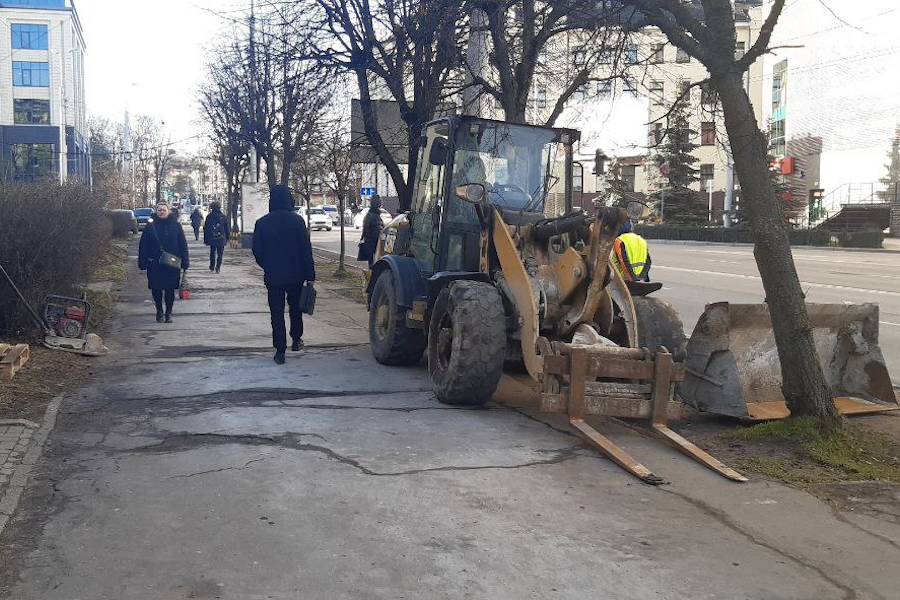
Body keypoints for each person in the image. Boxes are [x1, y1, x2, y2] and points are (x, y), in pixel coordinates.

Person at [252, 185, 316, 365]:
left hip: (274, 276)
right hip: (296, 275)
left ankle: (280, 350)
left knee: (276, 313)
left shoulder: (262, 222)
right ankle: (296, 339)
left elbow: (257, 250)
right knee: (295, 309)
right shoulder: (297, 221)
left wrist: (268, 266)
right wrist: (310, 274)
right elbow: (306, 249)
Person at [138, 202, 190, 323]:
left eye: (164, 210)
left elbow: (183, 245)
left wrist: (185, 261)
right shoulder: (150, 226)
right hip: (154, 263)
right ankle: (159, 311)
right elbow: (143, 245)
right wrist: (142, 262)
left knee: (170, 289)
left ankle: (169, 313)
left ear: (169, 212)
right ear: (156, 211)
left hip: (172, 264)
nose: (162, 212)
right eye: (159, 210)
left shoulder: (176, 226)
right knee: (156, 289)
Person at [203, 202, 229, 273]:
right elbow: (226, 228)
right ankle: (218, 267)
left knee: (212, 252)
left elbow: (206, 228)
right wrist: (227, 238)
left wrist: (206, 239)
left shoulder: (209, 216)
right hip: (221, 237)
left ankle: (212, 266)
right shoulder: (223, 216)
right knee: (220, 253)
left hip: (212, 238)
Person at [359, 195, 384, 267]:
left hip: (368, 245)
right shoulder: (375, 216)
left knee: (371, 265)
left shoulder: (369, 214)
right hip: (374, 247)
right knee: (374, 267)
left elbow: (364, 231)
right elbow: (377, 234)